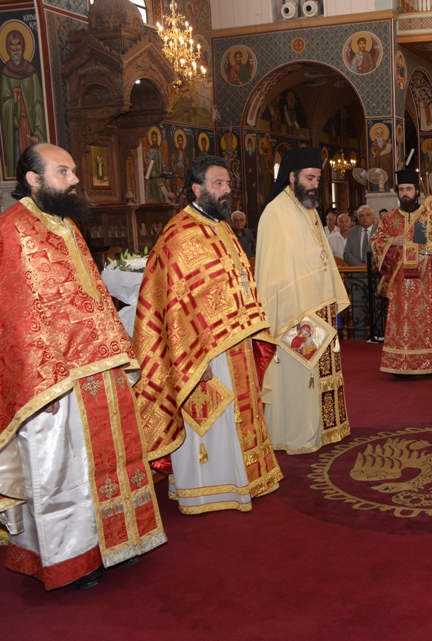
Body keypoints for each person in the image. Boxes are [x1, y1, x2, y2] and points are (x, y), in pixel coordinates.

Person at [0, 144, 166, 590]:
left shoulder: (66, 225)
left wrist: (119, 354)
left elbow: (93, 298)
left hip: (100, 367)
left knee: (114, 460)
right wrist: (42, 382)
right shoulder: (13, 230)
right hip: (54, 380)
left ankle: (120, 540)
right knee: (62, 471)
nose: (76, 179)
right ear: (33, 180)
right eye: (63, 171)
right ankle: (72, 559)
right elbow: (14, 317)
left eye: (73, 170)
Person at [132, 156, 282, 515]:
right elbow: (175, 306)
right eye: (219, 184)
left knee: (240, 413)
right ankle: (208, 489)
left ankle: (244, 476)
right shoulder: (180, 234)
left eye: (228, 183)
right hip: (203, 354)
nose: (227, 189)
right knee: (214, 416)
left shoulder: (222, 227)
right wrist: (195, 359)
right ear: (197, 189)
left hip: (236, 340)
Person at [254, 148, 351, 454]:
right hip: (294, 313)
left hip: (320, 306)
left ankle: (326, 429)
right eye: (309, 178)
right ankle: (297, 432)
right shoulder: (275, 212)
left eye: (318, 179)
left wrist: (332, 299)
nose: (314, 185)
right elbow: (273, 271)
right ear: (292, 176)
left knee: (321, 371)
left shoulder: (309, 209)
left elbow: (322, 258)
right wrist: (291, 312)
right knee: (299, 373)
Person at [370, 169, 432, 375]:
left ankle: (426, 363)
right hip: (399, 283)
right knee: (400, 322)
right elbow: (376, 243)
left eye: (409, 189)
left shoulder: (430, 216)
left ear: (417, 191)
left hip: (424, 283)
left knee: (424, 322)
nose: (405, 193)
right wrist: (392, 241)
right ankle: (399, 363)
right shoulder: (389, 219)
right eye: (401, 189)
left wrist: (428, 256)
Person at [1, 29, 46, 177]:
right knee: (18, 159)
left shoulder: (31, 72)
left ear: (23, 46)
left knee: (33, 162)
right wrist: (13, 102)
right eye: (12, 45)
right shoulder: (5, 74)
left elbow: (39, 103)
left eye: (18, 44)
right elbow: (3, 103)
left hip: (30, 126)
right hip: (15, 127)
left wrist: (38, 131)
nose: (15, 48)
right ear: (7, 48)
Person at [344, 204, 379, 339]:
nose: (365, 218)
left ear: (373, 216)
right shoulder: (352, 232)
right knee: (358, 310)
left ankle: (377, 337)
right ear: (357, 218)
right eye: (361, 216)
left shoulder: (380, 231)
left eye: (368, 215)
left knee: (377, 308)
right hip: (357, 277)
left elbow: (383, 252)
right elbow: (347, 253)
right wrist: (359, 265)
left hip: (375, 276)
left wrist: (371, 266)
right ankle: (360, 340)